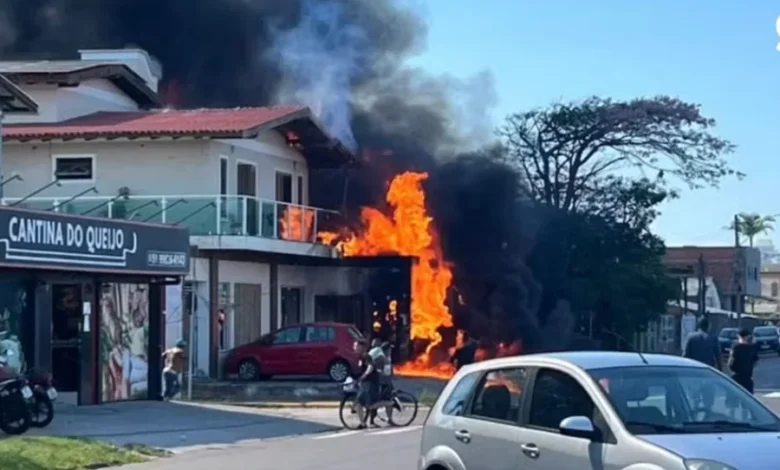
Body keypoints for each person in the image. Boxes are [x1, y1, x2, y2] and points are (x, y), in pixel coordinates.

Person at [354, 338, 381, 429]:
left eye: (356, 346)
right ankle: (363, 423)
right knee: (363, 403)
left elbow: (371, 367)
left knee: (361, 403)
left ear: (361, 347)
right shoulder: (361, 357)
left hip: (370, 382)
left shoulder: (366, 356)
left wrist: (365, 375)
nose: (354, 347)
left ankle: (389, 403)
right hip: (365, 382)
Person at [728, 328, 758, 393]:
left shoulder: (735, 348)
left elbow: (730, 363)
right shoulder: (752, 348)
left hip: (737, 377)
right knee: (748, 397)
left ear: (739, 336)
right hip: (748, 378)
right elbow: (755, 361)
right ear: (747, 337)